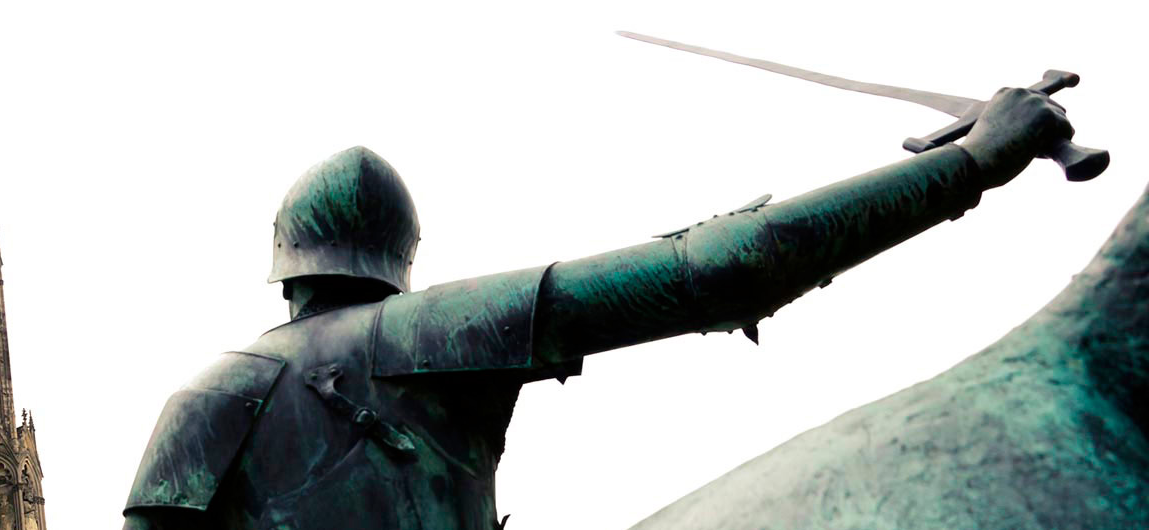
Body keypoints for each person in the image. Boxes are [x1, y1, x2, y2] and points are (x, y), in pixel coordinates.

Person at [120, 88, 1077, 529]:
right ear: (399, 259)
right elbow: (723, 267)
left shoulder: (199, 404)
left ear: (285, 261)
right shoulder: (433, 331)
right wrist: (972, 164)